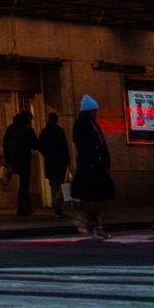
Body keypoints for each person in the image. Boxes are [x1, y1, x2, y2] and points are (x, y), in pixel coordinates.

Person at [71, 96, 115, 239]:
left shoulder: (91, 124)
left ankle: (98, 227)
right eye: (93, 111)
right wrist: (95, 160)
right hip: (91, 165)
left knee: (98, 197)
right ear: (88, 111)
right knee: (96, 196)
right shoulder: (83, 125)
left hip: (96, 164)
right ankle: (84, 219)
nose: (96, 113)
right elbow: (83, 146)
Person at [2, 109, 39, 216]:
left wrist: (8, 160)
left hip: (13, 158)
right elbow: (34, 145)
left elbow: (5, 145)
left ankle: (27, 206)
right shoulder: (28, 129)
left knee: (23, 182)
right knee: (24, 182)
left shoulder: (10, 128)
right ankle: (21, 207)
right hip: (24, 158)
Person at [37, 111, 71, 215]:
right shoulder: (60, 131)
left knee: (53, 185)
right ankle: (57, 201)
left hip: (49, 161)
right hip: (60, 161)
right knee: (63, 183)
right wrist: (68, 161)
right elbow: (64, 147)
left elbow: (39, 146)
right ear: (57, 120)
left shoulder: (44, 132)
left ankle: (57, 208)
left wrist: (46, 153)